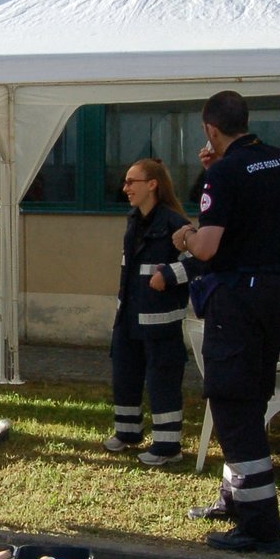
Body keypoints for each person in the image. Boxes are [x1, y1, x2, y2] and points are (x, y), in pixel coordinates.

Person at [171, 90, 280, 553]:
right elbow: (256, 211)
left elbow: (206, 246)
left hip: (236, 300)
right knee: (250, 400)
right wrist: (216, 174)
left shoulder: (224, 174)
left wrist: (184, 235)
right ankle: (235, 499)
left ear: (211, 129)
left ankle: (260, 527)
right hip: (270, 293)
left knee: (231, 404)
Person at [105, 158, 192, 466]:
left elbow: (201, 262)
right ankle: (127, 432)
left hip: (160, 322)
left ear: (152, 185)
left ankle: (168, 446)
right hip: (129, 316)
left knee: (162, 380)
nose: (125, 187)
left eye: (132, 182)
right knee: (125, 374)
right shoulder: (134, 220)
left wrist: (168, 276)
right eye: (126, 182)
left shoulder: (174, 223)